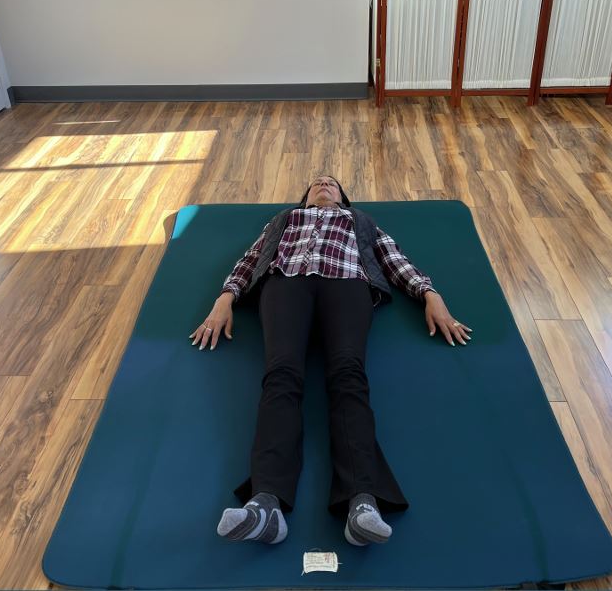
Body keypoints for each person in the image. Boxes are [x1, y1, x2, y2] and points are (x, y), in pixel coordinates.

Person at [190, 176, 472, 546]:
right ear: (305, 196)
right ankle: (266, 505)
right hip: (285, 284)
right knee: (280, 376)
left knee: (348, 376)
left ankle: (362, 502)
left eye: (332, 183)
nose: (324, 184)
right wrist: (224, 299)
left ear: (343, 197)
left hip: (347, 283)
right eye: (316, 183)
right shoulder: (284, 219)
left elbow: (394, 259)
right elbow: (251, 260)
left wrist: (430, 294)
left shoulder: (361, 221)